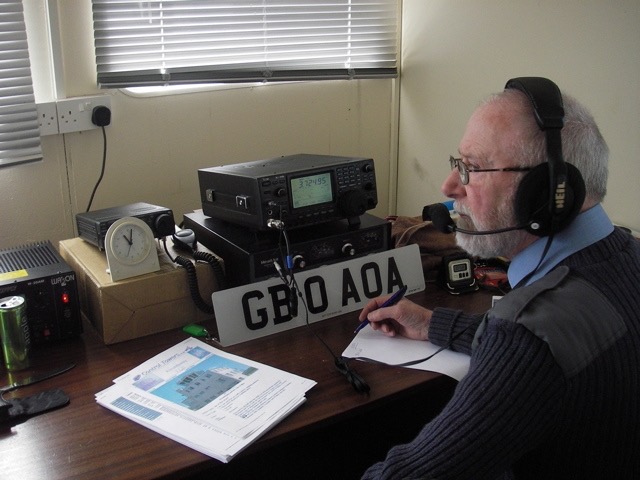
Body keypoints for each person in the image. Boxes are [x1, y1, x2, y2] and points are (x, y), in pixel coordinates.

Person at [358, 78, 640, 479]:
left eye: (471, 168)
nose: (450, 186)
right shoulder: (626, 260)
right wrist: (430, 323)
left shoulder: (526, 336)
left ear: (545, 191)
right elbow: (561, 343)